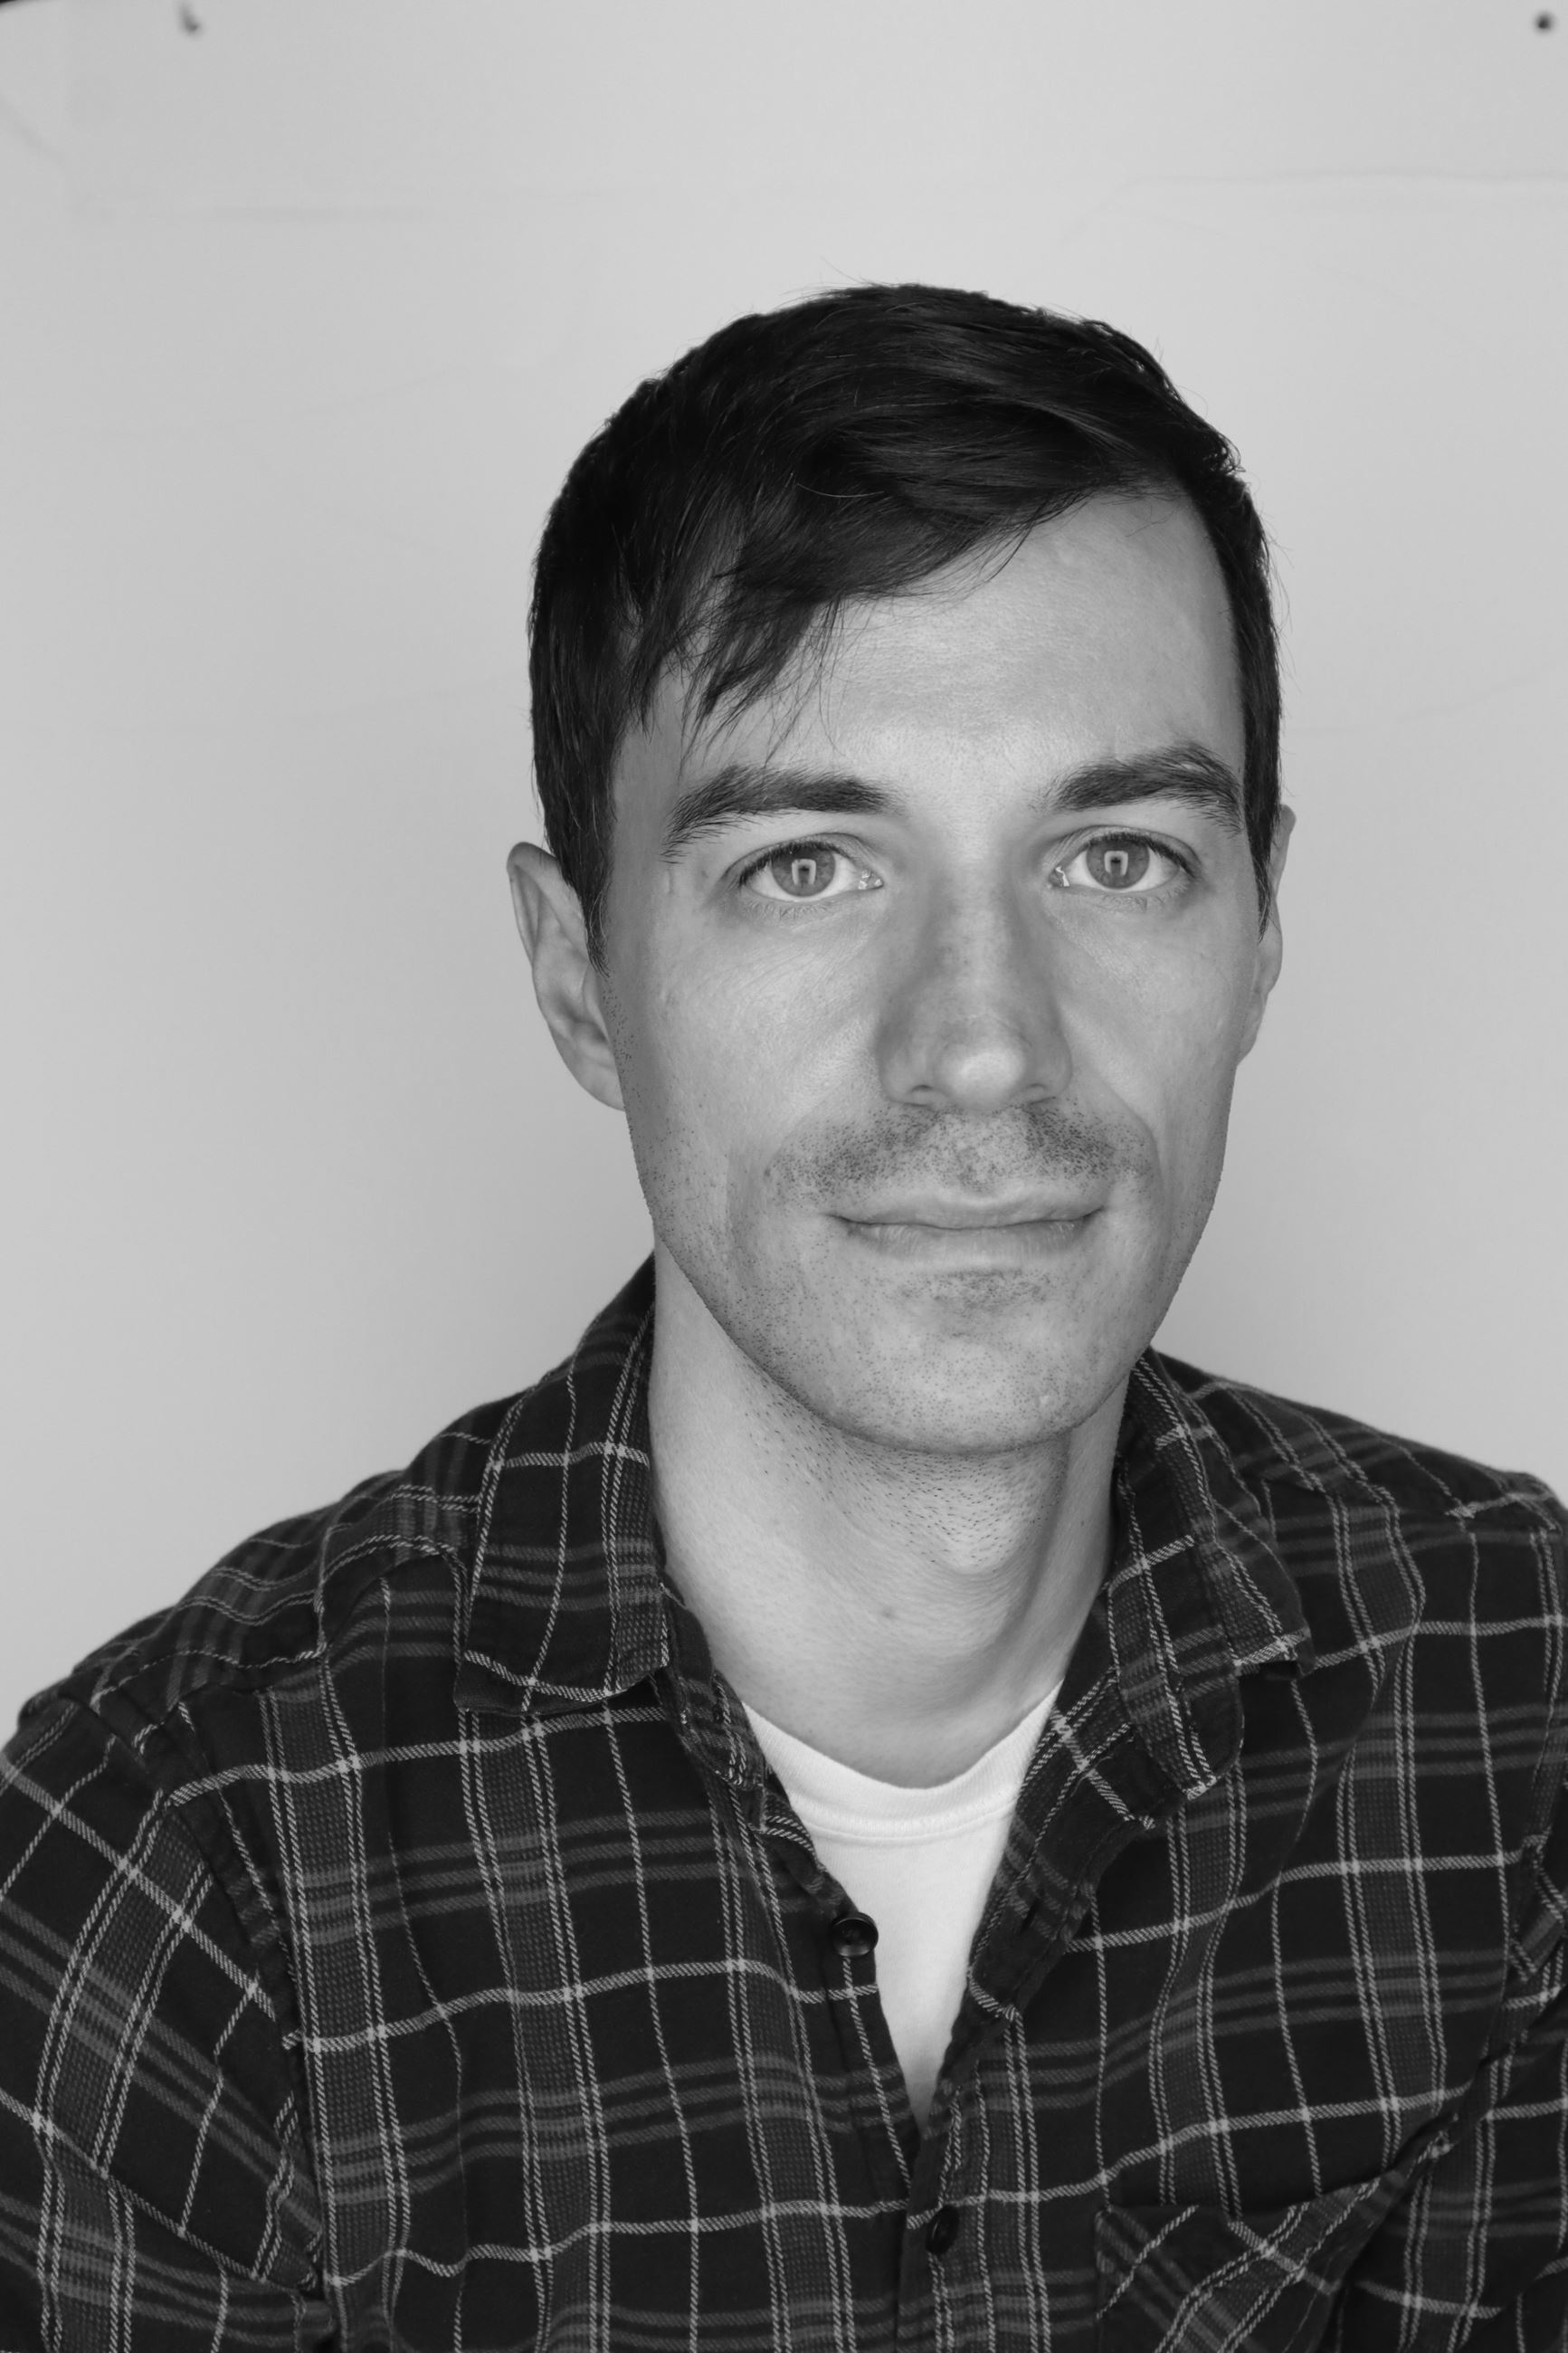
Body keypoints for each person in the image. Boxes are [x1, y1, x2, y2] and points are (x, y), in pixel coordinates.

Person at [1, 283, 1563, 2353]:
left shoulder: (1523, 1716)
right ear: (578, 975)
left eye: (1116, 854)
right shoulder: (176, 1863)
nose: (986, 1049)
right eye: (811, 865)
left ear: (1262, 923)